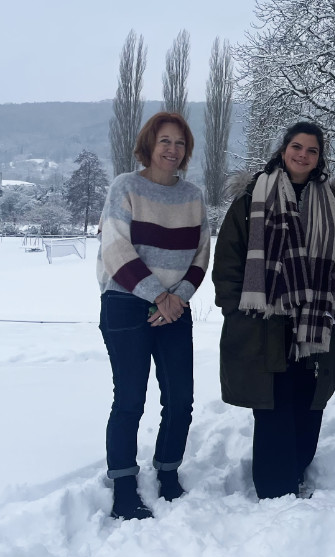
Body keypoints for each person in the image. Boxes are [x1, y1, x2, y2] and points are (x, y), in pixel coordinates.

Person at [213, 122, 335, 499]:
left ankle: (296, 470)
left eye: (312, 151)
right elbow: (228, 257)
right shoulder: (251, 198)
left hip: (318, 322)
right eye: (297, 147)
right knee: (273, 403)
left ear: (319, 158)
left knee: (309, 401)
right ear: (283, 150)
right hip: (265, 321)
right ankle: (274, 486)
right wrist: (235, 307)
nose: (303, 155)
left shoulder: (332, 203)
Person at [97, 111, 210, 520]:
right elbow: (115, 249)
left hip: (175, 305)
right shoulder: (125, 187)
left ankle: (168, 472)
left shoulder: (193, 196)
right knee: (129, 399)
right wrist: (157, 296)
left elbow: (201, 255)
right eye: (165, 141)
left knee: (180, 398)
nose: (172, 149)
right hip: (126, 302)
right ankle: (124, 486)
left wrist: (175, 297)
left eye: (180, 143)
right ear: (149, 144)